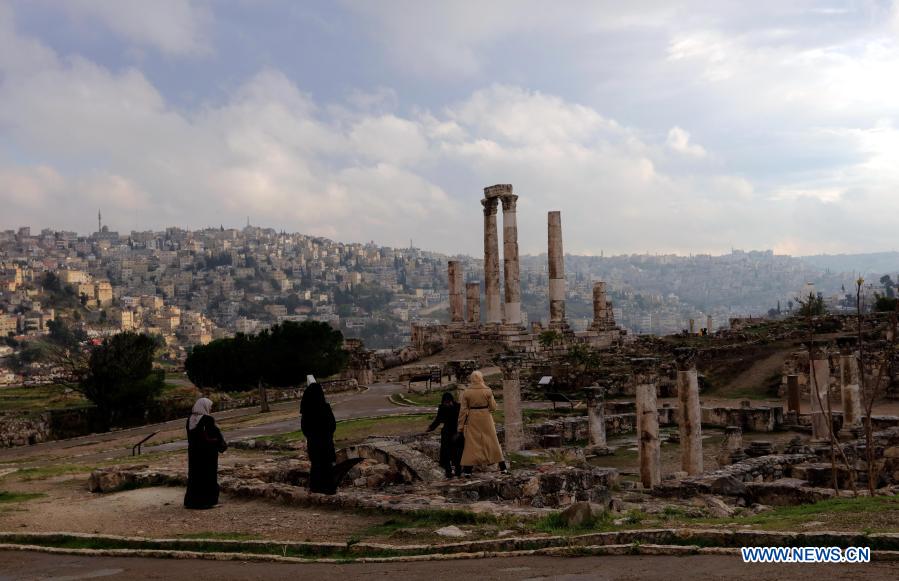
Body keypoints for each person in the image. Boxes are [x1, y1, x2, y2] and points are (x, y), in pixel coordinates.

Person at [458, 370, 508, 476]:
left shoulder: (467, 392)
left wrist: (460, 426)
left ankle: (467, 470)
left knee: (471, 443)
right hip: (486, 417)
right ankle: (503, 467)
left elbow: (462, 411)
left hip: (473, 417)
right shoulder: (487, 390)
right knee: (493, 441)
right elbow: (493, 407)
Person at [184, 397, 227, 509]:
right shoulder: (207, 419)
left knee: (195, 476)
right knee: (208, 475)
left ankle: (192, 501)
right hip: (207, 453)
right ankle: (207, 501)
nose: (211, 408)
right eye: (210, 406)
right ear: (205, 406)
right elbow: (214, 435)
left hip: (194, 453)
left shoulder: (190, 420)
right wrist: (221, 445)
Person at [300, 382, 337, 494]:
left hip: (314, 443)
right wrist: (326, 434)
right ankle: (329, 489)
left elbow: (304, 428)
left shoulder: (307, 411)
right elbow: (332, 425)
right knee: (327, 466)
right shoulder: (325, 407)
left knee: (316, 466)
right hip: (326, 442)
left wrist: (312, 437)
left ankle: (316, 489)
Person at [427, 391, 463, 478]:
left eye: (448, 402)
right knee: (446, 454)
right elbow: (438, 419)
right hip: (447, 432)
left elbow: (462, 419)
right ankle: (448, 472)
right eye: (445, 402)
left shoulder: (458, 407)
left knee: (457, 454)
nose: (447, 404)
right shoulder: (442, 407)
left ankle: (458, 471)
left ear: (451, 400)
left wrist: (459, 432)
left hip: (456, 432)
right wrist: (431, 428)